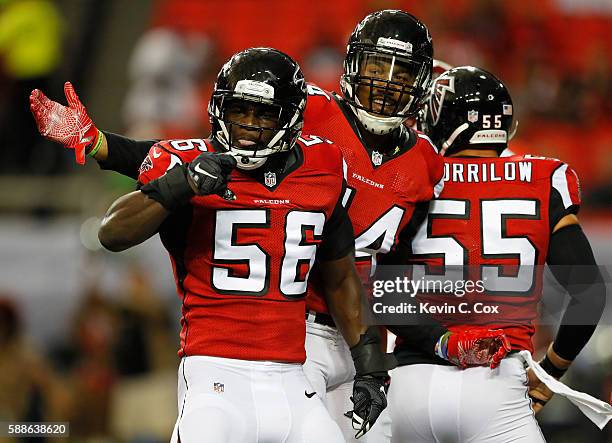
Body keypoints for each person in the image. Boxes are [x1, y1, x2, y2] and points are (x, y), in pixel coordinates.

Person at [31, 10, 511, 442]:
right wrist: (100, 144)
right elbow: (190, 156)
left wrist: (434, 340)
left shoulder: (425, 161)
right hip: (286, 322)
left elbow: (387, 269)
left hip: (357, 325)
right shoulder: (312, 113)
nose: (384, 83)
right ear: (350, 67)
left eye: (401, 71)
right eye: (375, 67)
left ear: (423, 81)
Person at [60, 47, 398, 442]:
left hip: (293, 379)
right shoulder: (189, 161)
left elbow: (341, 279)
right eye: (239, 111)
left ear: (289, 119)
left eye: (263, 113)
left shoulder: (320, 167)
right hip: (213, 375)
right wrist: (179, 185)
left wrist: (370, 366)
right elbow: (111, 233)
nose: (248, 125)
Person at [388, 66, 606, 442]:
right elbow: (590, 293)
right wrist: (551, 369)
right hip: (497, 383)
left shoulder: (408, 175)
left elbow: (382, 291)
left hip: (411, 384)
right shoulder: (545, 178)